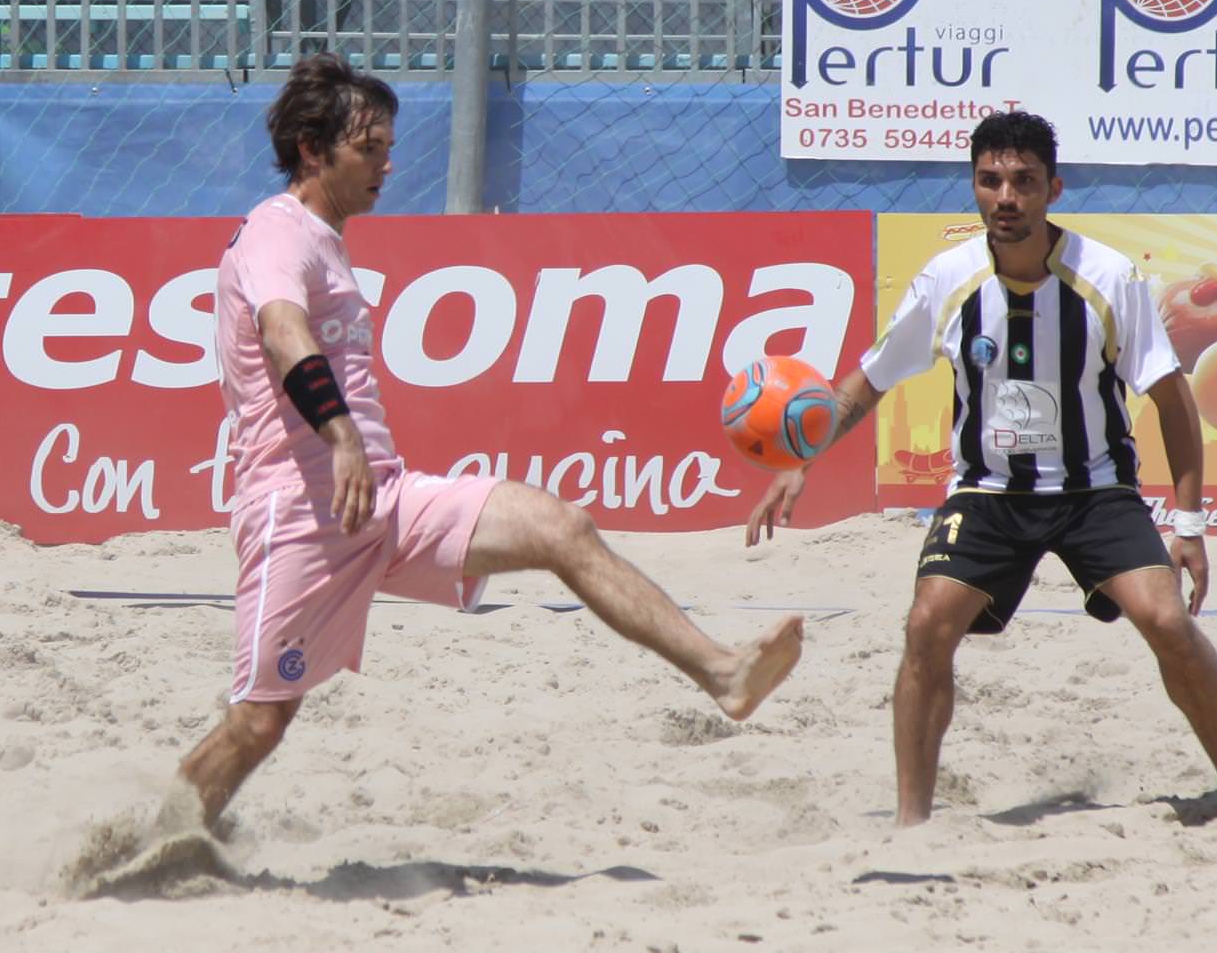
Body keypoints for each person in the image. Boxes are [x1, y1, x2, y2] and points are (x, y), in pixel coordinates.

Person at [178, 53, 804, 828]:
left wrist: (356, 454)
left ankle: (724, 673)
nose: (386, 164)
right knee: (258, 725)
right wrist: (339, 434)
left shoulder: (324, 238)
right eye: (368, 149)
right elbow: (281, 333)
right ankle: (146, 843)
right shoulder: (280, 233)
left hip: (383, 499)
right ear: (313, 150)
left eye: (387, 147)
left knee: (560, 527)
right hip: (302, 514)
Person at [746, 110, 1217, 827]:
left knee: (1168, 620)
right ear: (975, 188)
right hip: (987, 494)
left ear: (1053, 187)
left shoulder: (1109, 278)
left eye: (1022, 181)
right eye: (990, 182)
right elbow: (866, 382)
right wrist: (801, 460)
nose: (1006, 197)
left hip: (1095, 491)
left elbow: (1174, 401)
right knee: (927, 625)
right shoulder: (947, 280)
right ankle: (911, 827)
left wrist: (1191, 524)